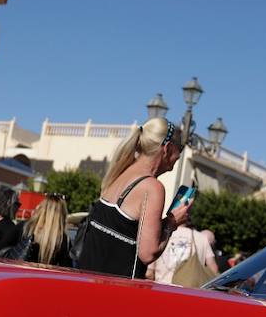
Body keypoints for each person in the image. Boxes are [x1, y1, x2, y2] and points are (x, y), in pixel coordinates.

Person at [76, 118, 189, 278]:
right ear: (168, 148)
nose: (178, 158)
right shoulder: (152, 188)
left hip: (85, 281)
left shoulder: (119, 173)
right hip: (116, 290)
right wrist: (172, 222)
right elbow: (148, 253)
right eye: (180, 149)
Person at [148, 215, 220, 285]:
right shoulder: (201, 238)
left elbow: (149, 273)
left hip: (163, 290)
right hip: (191, 292)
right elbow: (214, 270)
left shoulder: (161, 237)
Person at [15, 193, 72, 266]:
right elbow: (66, 269)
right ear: (62, 215)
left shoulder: (25, 227)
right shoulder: (64, 240)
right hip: (44, 277)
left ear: (42, 208)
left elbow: (2, 249)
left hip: (18, 274)